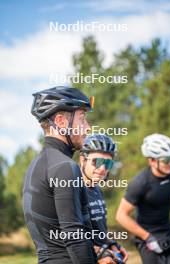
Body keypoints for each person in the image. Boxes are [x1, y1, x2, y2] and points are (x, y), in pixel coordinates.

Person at [22, 86, 97, 264]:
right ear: (61, 122)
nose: (87, 128)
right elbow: (74, 236)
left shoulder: (37, 165)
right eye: (82, 119)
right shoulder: (65, 166)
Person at [116, 133, 170, 264]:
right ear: (152, 161)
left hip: (168, 231)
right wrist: (147, 237)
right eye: (166, 160)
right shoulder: (140, 183)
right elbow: (121, 215)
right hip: (147, 236)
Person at [80, 134, 128, 264]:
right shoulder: (73, 190)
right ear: (82, 160)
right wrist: (100, 253)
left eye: (108, 163)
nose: (102, 169)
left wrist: (111, 243)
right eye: (97, 162)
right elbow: (69, 235)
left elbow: (98, 230)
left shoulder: (96, 189)